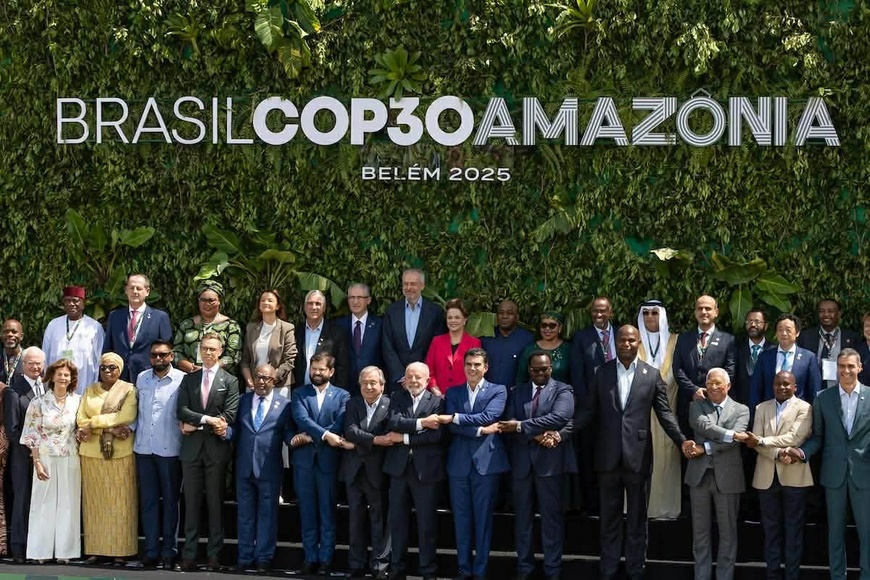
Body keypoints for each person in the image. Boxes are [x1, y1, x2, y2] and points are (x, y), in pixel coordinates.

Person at [576, 325, 688, 580]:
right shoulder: (601, 372)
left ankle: (636, 568)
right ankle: (608, 568)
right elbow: (587, 412)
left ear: (639, 343)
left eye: (631, 340)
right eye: (622, 340)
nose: (626, 344)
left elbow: (665, 414)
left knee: (638, 518)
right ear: (615, 343)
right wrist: (562, 433)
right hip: (607, 457)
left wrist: (682, 441)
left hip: (638, 457)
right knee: (609, 518)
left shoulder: (651, 375)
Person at [786, 348, 870, 579]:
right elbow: (818, 437)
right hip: (834, 475)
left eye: (850, 366)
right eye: (842, 366)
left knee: (867, 534)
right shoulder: (823, 398)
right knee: (835, 534)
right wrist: (801, 452)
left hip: (864, 475)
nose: (846, 370)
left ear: (860, 368)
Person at [499, 351, 575, 580]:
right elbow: (509, 422)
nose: (540, 373)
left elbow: (559, 417)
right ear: (529, 370)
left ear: (551, 368)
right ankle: (524, 568)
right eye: (535, 369)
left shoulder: (563, 390)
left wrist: (521, 426)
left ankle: (552, 569)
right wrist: (536, 434)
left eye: (544, 369)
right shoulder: (517, 391)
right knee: (522, 519)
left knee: (551, 520)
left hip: (549, 464)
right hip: (522, 463)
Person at [437, 348, 508, 580]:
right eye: (468, 364)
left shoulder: (498, 390)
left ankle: (480, 571)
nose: (472, 368)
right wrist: (480, 430)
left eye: (477, 364)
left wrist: (457, 417)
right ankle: (463, 569)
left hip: (486, 464)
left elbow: (490, 416)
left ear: (486, 367)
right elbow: (452, 427)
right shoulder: (453, 392)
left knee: (483, 520)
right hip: (458, 463)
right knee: (461, 519)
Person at [176, 333, 239, 571]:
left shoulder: (230, 380)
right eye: (204, 348)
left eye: (213, 349)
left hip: (216, 451)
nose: (208, 353)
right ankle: (189, 555)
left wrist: (198, 425)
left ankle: (214, 556)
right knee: (191, 505)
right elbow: (181, 410)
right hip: (191, 451)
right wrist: (207, 420)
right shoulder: (189, 379)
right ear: (199, 351)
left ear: (220, 351)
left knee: (215, 506)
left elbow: (230, 414)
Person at [746, 370, 813, 580]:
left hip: (795, 478)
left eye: (786, 384)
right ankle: (772, 575)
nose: (782, 387)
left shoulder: (805, 407)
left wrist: (763, 441)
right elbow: (754, 442)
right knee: (770, 532)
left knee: (794, 532)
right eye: (778, 384)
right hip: (766, 478)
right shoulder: (761, 408)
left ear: (795, 387)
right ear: (772, 386)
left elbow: (796, 437)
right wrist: (778, 453)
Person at [684, 368, 749, 580]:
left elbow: (733, 444)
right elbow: (702, 425)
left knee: (728, 534)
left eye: (718, 383)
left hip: (728, 477)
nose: (713, 387)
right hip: (699, 477)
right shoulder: (696, 406)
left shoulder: (742, 410)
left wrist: (705, 448)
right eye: (709, 383)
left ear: (728, 386)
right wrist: (731, 434)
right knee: (700, 534)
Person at [382, 362, 445, 580]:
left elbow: (436, 435)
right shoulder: (396, 397)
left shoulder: (437, 402)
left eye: (418, 377)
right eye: (410, 377)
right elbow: (393, 421)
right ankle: (397, 567)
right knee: (397, 521)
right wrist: (421, 423)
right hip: (399, 469)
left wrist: (404, 438)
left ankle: (428, 569)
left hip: (426, 471)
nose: (414, 381)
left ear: (427, 380)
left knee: (426, 523)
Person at [290, 353, 351, 576]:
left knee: (327, 512)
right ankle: (310, 558)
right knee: (307, 512)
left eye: (321, 369)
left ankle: (326, 559)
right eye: (313, 368)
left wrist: (311, 437)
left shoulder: (343, 395)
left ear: (331, 371)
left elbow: (340, 424)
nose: (316, 373)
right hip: (304, 463)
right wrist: (325, 435)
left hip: (328, 462)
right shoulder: (299, 393)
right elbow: (301, 419)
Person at [76, 352, 138, 563]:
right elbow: (80, 419)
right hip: (91, 454)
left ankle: (120, 551)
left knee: (120, 502)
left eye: (112, 367)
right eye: (103, 367)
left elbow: (126, 416)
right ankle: (96, 549)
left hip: (120, 454)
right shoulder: (90, 390)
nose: (107, 371)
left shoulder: (128, 390)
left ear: (120, 369)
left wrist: (94, 423)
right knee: (95, 503)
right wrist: (108, 429)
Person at [231, 364, 294, 572]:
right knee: (244, 515)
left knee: (268, 515)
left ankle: (264, 558)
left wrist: (295, 440)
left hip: (269, 468)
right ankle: (245, 556)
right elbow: (235, 430)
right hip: (244, 466)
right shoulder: (243, 400)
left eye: (266, 378)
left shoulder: (285, 405)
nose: (261, 381)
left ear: (274, 382)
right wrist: (223, 431)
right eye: (258, 377)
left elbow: (288, 433)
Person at [20, 359, 82, 563]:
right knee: (43, 502)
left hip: (70, 457)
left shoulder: (78, 401)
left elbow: (80, 428)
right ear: (52, 376)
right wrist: (37, 462)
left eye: (67, 375)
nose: (63, 377)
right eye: (59, 374)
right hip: (45, 457)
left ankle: (66, 552)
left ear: (71, 378)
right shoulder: (38, 402)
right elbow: (32, 433)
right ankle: (40, 552)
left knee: (68, 503)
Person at [134, 340, 186, 569]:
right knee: (148, 502)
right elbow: (135, 410)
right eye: (154, 355)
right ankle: (151, 550)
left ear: (171, 356)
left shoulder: (182, 380)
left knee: (171, 501)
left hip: (170, 449)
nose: (158, 358)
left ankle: (169, 551)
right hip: (144, 448)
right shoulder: (142, 378)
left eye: (163, 355)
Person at [340, 366, 392, 580]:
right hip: (354, 470)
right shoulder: (352, 404)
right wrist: (375, 440)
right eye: (364, 383)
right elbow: (350, 431)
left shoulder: (390, 405)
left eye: (373, 383)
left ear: (382, 385)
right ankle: (356, 563)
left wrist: (358, 444)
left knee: (379, 519)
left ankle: (380, 564)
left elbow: (389, 435)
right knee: (355, 519)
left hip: (378, 471)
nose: (369, 387)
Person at [569, 297, 618, 516]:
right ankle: (591, 504)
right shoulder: (581, 337)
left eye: (603, 311)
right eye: (595, 311)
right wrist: (586, 405)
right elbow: (577, 375)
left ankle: (614, 504)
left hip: (618, 407)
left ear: (610, 312)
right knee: (589, 455)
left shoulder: (622, 334)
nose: (599, 315)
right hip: (590, 409)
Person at [635, 300, 681, 520]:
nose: (650, 317)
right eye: (646, 313)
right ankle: (638, 508)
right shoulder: (634, 342)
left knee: (667, 459)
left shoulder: (675, 341)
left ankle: (665, 509)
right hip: (639, 415)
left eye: (654, 313)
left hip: (668, 412)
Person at [3, 346, 45, 563]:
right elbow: (12, 429)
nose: (35, 367)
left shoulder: (48, 388)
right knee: (23, 499)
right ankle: (19, 547)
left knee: (42, 501)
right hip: (22, 456)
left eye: (38, 363)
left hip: (46, 456)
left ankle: (39, 547)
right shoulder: (13, 392)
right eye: (31, 363)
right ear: (23, 365)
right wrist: (32, 448)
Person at [673, 295, 736, 437]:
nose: (703, 312)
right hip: (688, 402)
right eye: (700, 308)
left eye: (708, 308)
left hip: (716, 404)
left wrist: (712, 391)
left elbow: (730, 371)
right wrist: (693, 390)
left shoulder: (728, 340)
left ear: (716, 312)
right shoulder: (683, 339)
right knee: (689, 445)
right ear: (695, 312)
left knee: (715, 443)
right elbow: (677, 369)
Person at [382, 268, 446, 388]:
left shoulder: (435, 312)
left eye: (413, 284)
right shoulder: (392, 311)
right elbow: (387, 346)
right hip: (398, 382)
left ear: (422, 286)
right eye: (405, 284)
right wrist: (401, 376)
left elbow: (436, 346)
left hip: (424, 381)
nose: (408, 287)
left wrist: (419, 374)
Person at [103, 274, 172, 382]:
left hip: (149, 377)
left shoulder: (159, 317)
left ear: (147, 291)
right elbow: (108, 348)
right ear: (126, 290)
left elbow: (166, 350)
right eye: (131, 288)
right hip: (119, 377)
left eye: (139, 288)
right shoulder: (115, 316)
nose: (135, 291)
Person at [749, 313, 821, 411]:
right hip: (769, 413)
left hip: (798, 414)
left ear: (797, 332)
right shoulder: (765, 357)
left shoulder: (809, 358)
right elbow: (756, 389)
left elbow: (814, 391)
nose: (784, 333)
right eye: (780, 330)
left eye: (788, 330)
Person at [173, 280, 242, 377]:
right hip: (191, 377)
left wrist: (208, 370)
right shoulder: (186, 324)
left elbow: (234, 356)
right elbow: (176, 352)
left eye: (211, 300)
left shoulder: (231, 326)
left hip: (219, 379)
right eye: (203, 300)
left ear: (219, 301)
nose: (207, 304)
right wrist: (191, 368)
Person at [42, 286, 104, 389]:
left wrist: (96, 387)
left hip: (85, 383)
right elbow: (45, 354)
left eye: (75, 301)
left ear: (83, 303)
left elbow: (100, 359)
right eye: (67, 301)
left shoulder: (94, 327)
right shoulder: (53, 325)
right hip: (57, 382)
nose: (71, 304)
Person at [293, 289, 351, 390]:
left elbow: (343, 367)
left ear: (324, 308)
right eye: (310, 303)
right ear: (304, 307)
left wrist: (338, 392)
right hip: (299, 391)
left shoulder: (336, 333)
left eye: (318, 304)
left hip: (327, 392)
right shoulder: (296, 332)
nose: (314, 307)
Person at [241, 289, 297, 392]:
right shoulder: (251, 328)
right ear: (259, 305)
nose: (266, 302)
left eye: (270, 300)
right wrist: (250, 381)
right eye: (263, 300)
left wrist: (270, 379)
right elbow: (245, 360)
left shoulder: (287, 328)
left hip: (279, 385)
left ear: (277, 306)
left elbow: (289, 360)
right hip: (254, 384)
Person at [797, 298, 860, 390]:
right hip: (813, 391)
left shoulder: (851, 337)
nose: (826, 314)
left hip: (843, 390)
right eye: (821, 311)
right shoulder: (806, 336)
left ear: (839, 313)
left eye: (830, 311)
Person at [425, 298, 481, 395]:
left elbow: (476, 372)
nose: (453, 321)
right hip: (439, 397)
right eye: (450, 318)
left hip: (464, 397)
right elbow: (429, 370)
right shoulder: (436, 341)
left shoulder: (474, 343)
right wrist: (435, 390)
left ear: (464, 320)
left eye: (457, 317)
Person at [338, 283, 384, 397]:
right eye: (352, 297)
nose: (355, 301)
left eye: (359, 297)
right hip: (346, 387)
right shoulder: (338, 325)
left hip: (372, 386)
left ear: (368, 300)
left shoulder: (380, 325)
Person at [481, 299, 534, 387]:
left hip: (515, 392)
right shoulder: (487, 337)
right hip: (488, 392)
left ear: (517, 317)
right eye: (501, 313)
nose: (504, 316)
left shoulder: (527, 339)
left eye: (509, 313)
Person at [516, 313, 571, 385]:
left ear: (560, 327)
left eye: (552, 326)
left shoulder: (568, 349)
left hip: (562, 391)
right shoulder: (530, 349)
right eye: (544, 325)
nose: (547, 329)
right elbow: (521, 378)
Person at [734, 308, 773, 405]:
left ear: (766, 325)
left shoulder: (774, 351)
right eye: (749, 321)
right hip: (741, 406)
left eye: (757, 321)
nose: (753, 324)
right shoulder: (736, 349)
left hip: (767, 405)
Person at [0, 319, 25, 387]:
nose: (9, 334)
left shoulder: (30, 357)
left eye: (14, 332)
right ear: (1, 335)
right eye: (5, 332)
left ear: (21, 336)